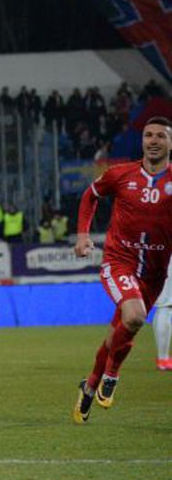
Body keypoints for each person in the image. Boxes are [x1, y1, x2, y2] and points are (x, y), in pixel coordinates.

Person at [72, 117, 172, 423]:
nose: (153, 140)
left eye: (161, 136)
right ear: (142, 140)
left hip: (154, 273)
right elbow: (90, 195)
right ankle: (112, 374)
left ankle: (90, 385)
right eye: (148, 135)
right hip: (119, 261)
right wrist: (83, 235)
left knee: (121, 330)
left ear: (170, 143)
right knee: (135, 316)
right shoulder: (120, 174)